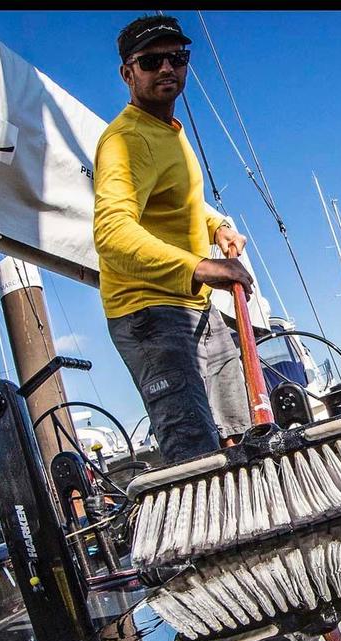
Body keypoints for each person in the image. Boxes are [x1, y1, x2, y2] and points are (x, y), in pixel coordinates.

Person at [93, 15, 255, 466]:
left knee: (241, 430)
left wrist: (217, 225)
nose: (166, 68)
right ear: (128, 73)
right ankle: (221, 534)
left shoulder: (168, 133)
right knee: (194, 449)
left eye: (177, 57)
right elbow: (112, 233)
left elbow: (178, 202)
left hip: (194, 305)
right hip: (149, 314)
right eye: (150, 61)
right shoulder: (125, 141)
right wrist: (201, 268)